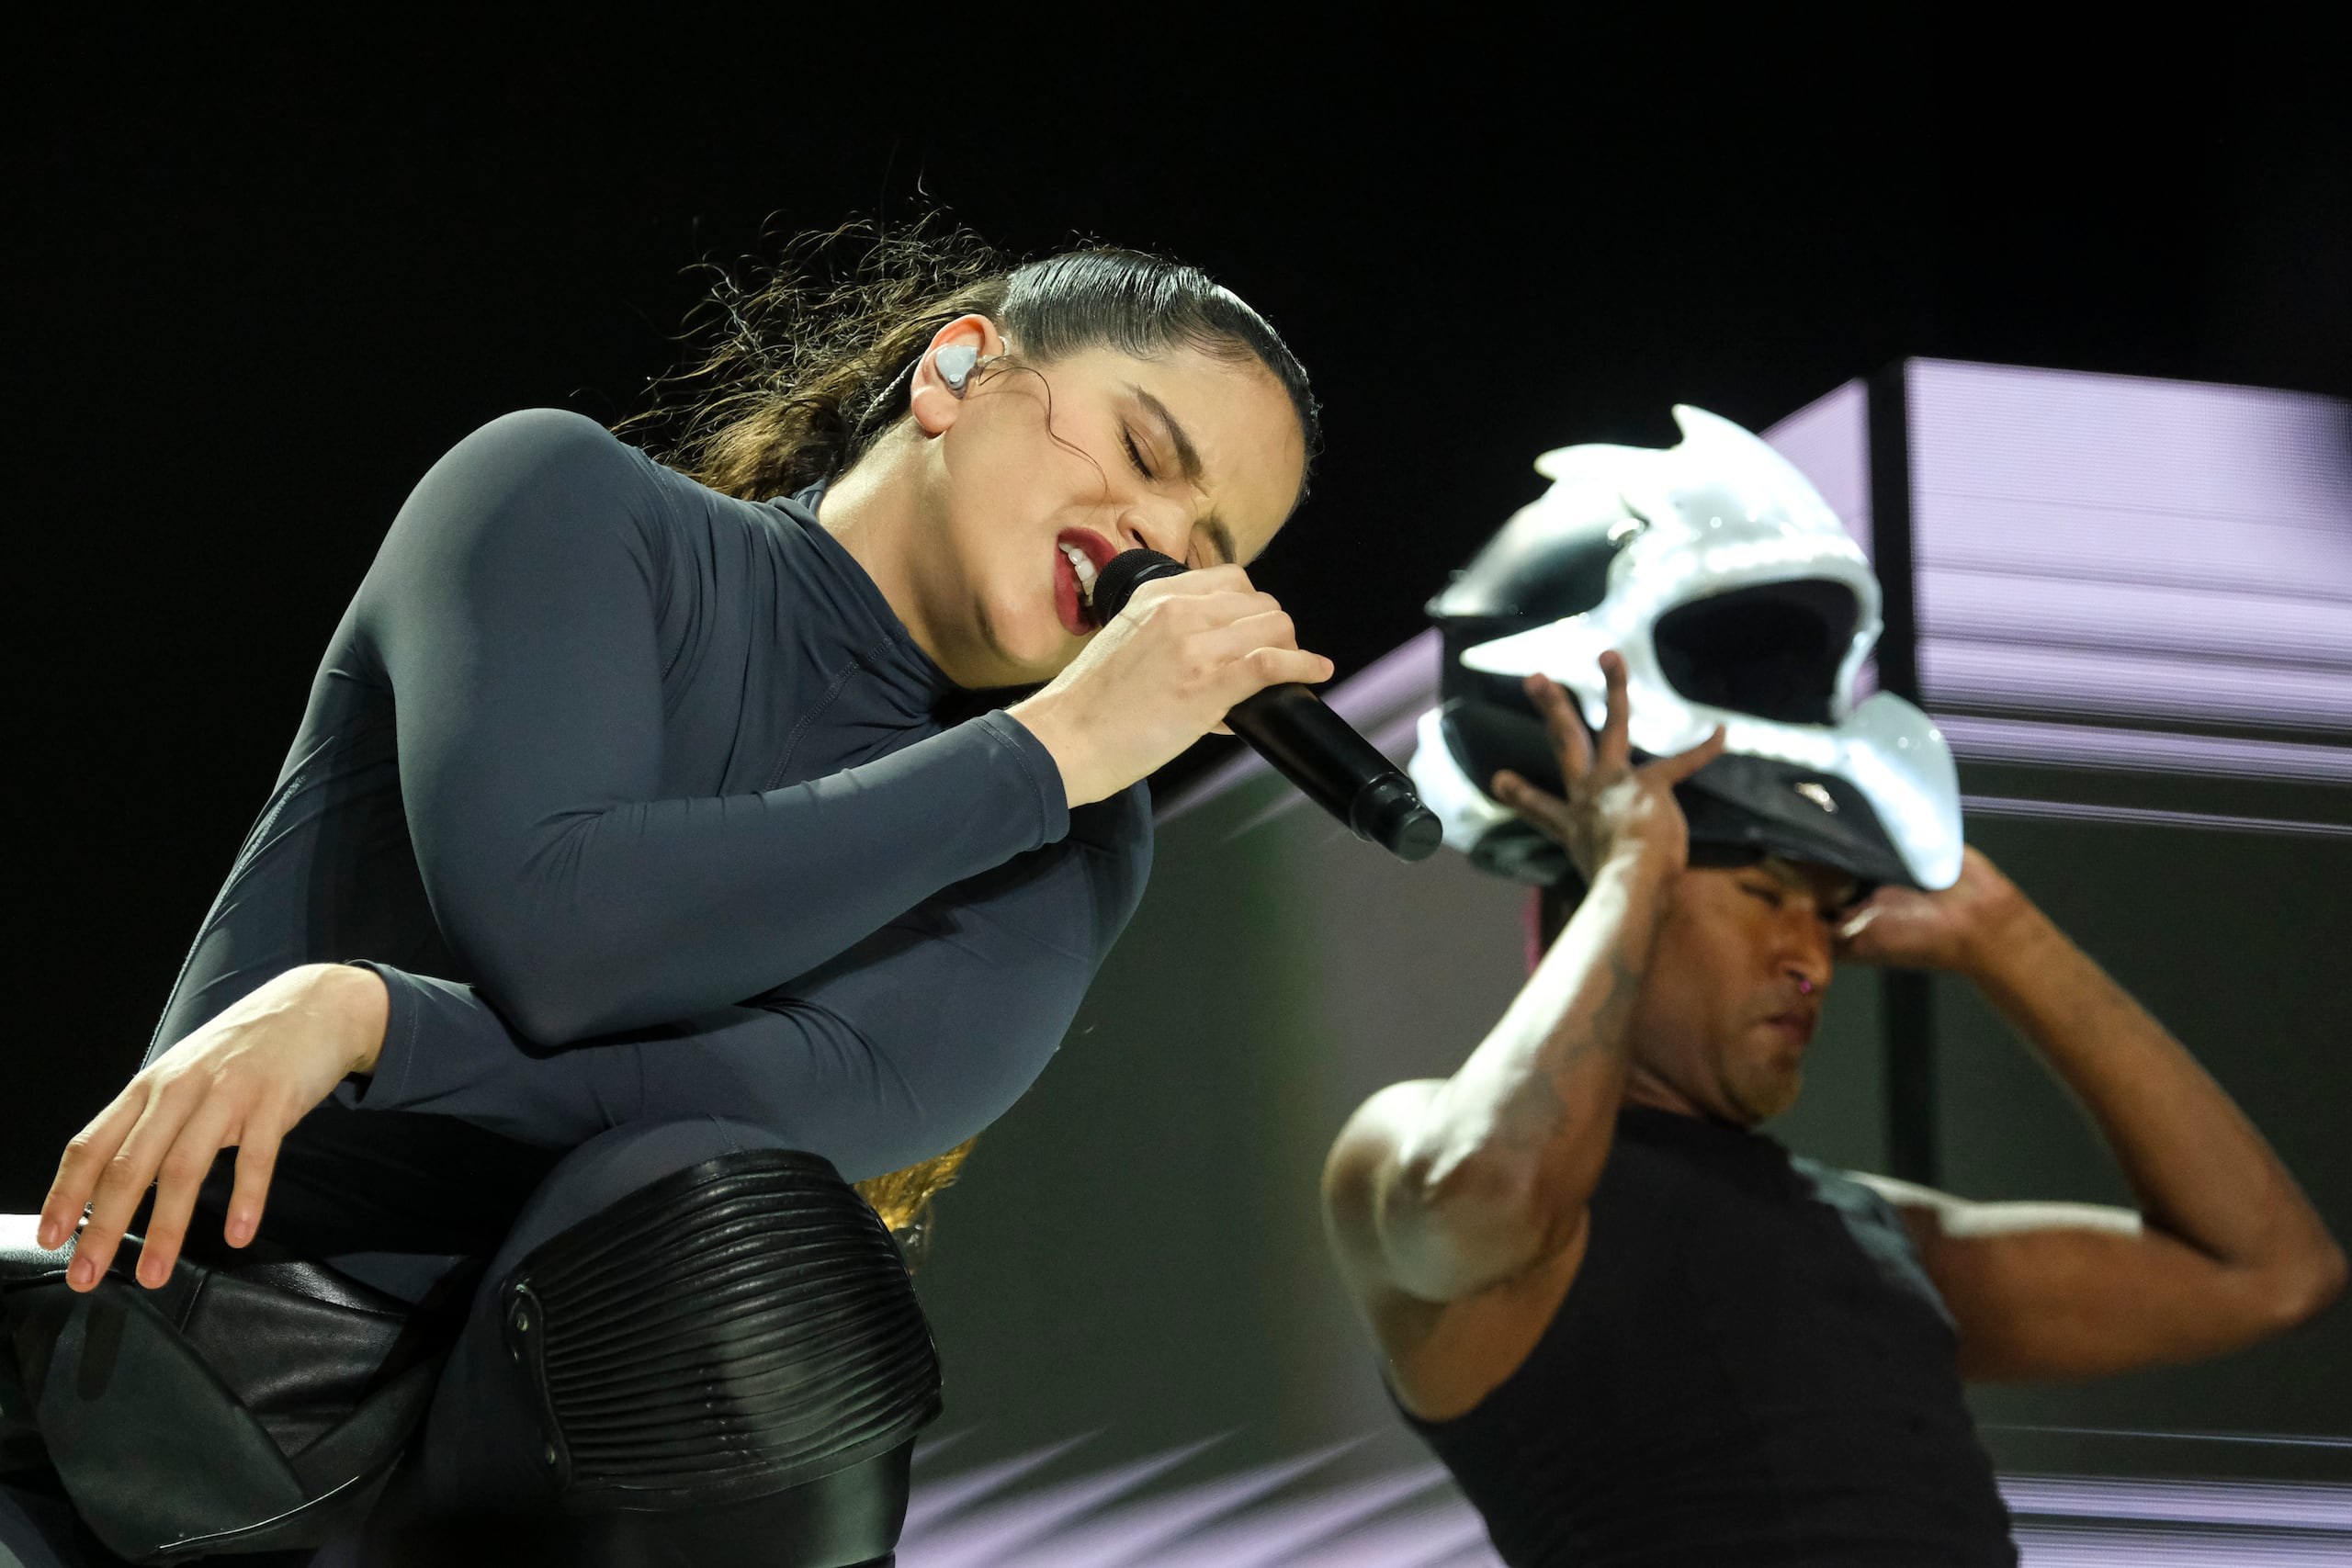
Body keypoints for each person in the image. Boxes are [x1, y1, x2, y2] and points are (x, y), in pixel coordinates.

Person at [2, 229, 1329, 1565]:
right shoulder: (563, 498)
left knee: (739, 1231)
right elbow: (563, 932)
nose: (1158, 545)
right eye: (1147, 458)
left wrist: (376, 1026)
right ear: (958, 370)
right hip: (178, 1398)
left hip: (536, 1493)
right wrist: (1047, 749)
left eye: (1211, 545)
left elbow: (760, 1109)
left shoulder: (1075, 843)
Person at [1320, 408, 2346, 1566]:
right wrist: (1631, 874)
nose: (1812, 955)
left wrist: (2005, 936)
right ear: (1615, 875)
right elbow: (1485, 1195)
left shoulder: (1873, 1231)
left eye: (1825, 906)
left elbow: (2264, 1274)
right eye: (1766, 893)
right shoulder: (1411, 1153)